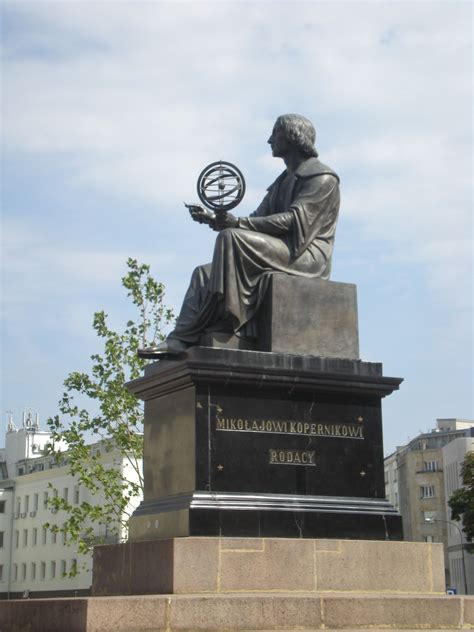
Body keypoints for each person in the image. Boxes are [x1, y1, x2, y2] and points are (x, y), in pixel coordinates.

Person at [138, 113, 340, 358]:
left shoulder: (321, 178)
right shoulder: (281, 182)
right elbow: (257, 218)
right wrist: (215, 220)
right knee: (204, 274)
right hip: (282, 250)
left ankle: (231, 326)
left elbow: (293, 221)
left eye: (275, 134)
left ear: (292, 136)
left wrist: (236, 224)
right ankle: (180, 339)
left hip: (305, 255)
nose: (269, 140)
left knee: (231, 238)